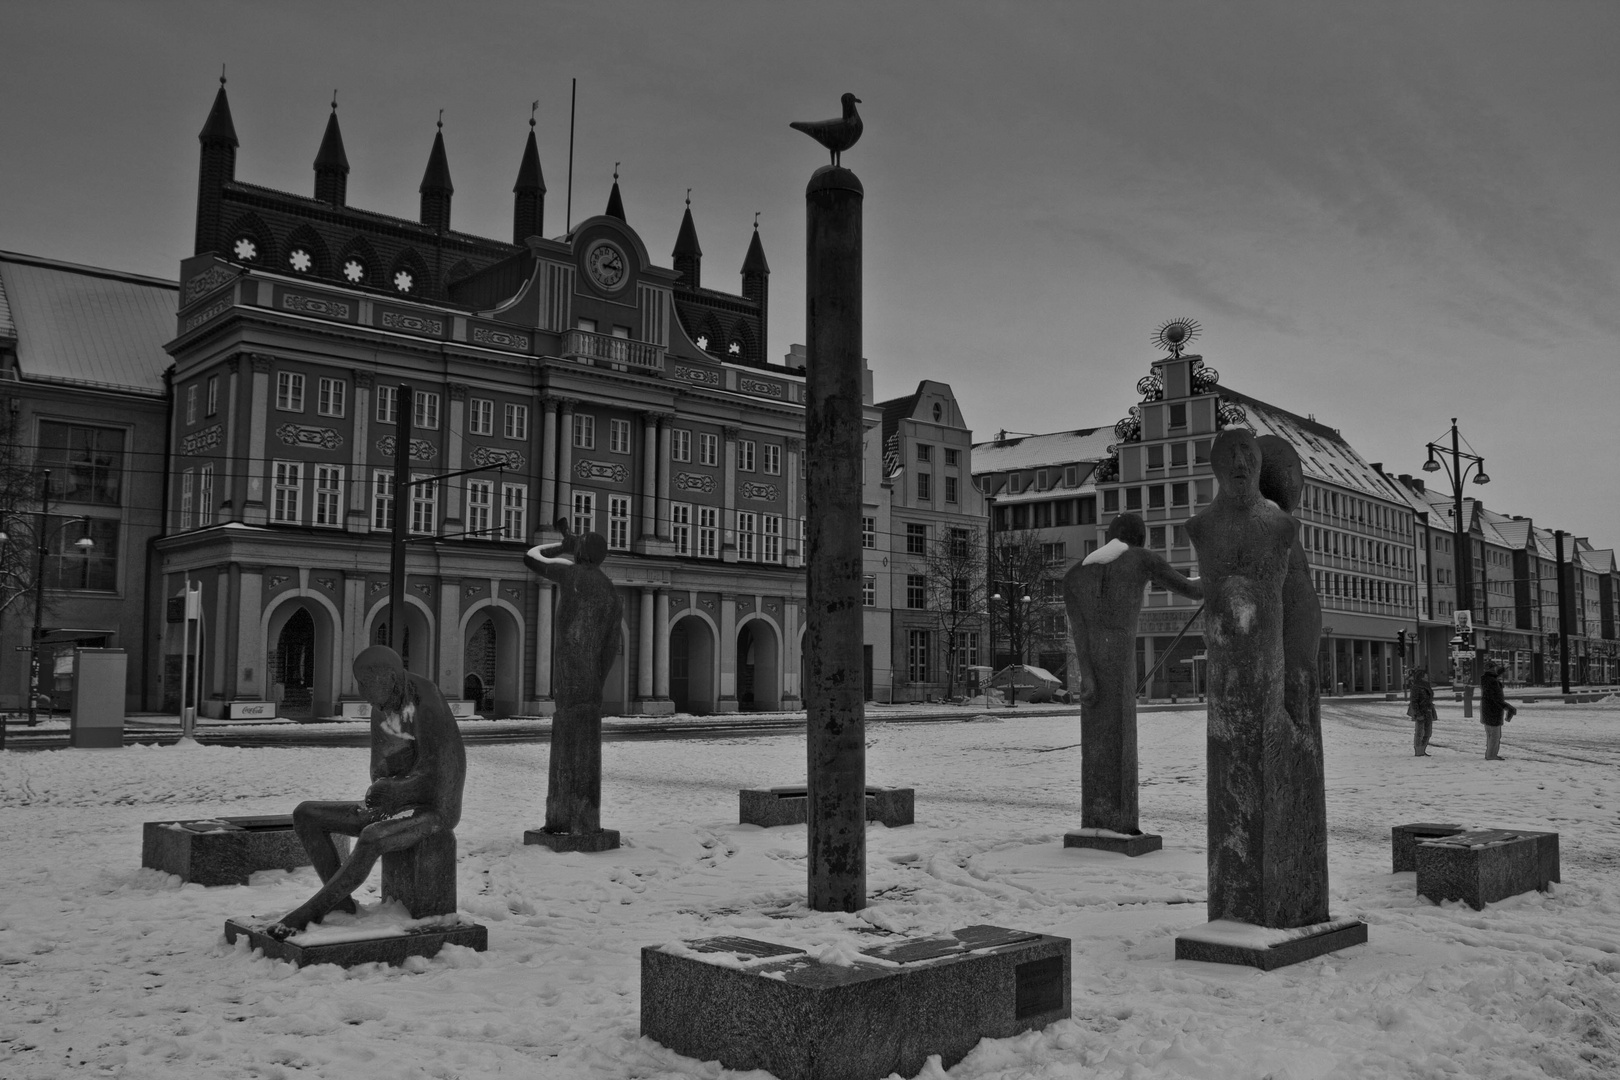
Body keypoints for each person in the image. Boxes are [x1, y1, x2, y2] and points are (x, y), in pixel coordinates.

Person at [268, 644, 466, 939]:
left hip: (434, 810)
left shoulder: (428, 703)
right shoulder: (382, 708)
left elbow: (445, 779)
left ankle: (313, 910)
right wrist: (381, 786)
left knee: (373, 837)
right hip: (395, 802)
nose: (361, 692)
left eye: (364, 684)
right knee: (307, 815)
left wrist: (398, 788)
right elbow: (379, 766)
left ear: (387, 678)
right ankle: (342, 904)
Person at [1062, 512, 1201, 835]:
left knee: (1098, 735)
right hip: (1120, 649)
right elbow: (1193, 590)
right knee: (1120, 731)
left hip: (1092, 657)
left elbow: (1079, 632)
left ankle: (1098, 818)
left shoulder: (1075, 576)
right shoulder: (1140, 559)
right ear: (1139, 539)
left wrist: (1087, 675)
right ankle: (1120, 821)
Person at [1479, 662, 1515, 760]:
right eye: (1495, 667)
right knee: (1495, 736)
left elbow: (1493, 675)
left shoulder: (1486, 679)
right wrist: (1508, 707)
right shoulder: (1493, 682)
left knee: (1490, 735)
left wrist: (1503, 669)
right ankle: (1491, 755)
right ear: (1492, 668)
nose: (1496, 669)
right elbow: (1496, 699)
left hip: (1487, 711)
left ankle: (1490, 754)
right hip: (1493, 711)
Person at [1407, 666, 1437, 756]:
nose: (1427, 676)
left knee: (1428, 732)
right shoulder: (1416, 687)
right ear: (1421, 676)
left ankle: (1423, 749)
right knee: (1420, 732)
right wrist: (1418, 713)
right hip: (1421, 711)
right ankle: (1418, 751)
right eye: (1425, 675)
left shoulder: (1426, 686)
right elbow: (1414, 701)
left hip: (1428, 711)